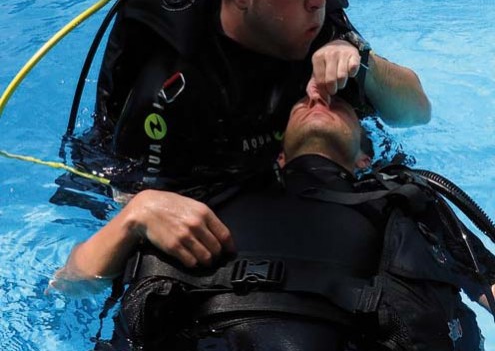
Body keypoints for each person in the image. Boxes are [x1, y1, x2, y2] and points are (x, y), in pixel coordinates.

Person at [54, 95, 494, 351]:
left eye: (339, 103)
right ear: (278, 153)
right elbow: (69, 284)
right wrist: (135, 214)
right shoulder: (196, 196)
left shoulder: (406, 199)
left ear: (365, 157)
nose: (319, 97)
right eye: (303, 100)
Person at [73, 0, 430, 201]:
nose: (318, 0)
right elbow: (127, 193)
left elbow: (416, 113)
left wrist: (361, 61)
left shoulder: (313, 20)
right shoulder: (175, 77)